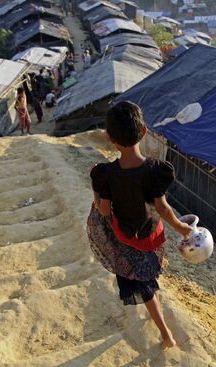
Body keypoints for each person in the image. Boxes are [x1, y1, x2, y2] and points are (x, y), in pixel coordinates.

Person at [88, 101, 192, 349]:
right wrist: (181, 228)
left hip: (126, 239)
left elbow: (103, 210)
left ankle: (166, 335)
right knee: (148, 269)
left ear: (110, 137)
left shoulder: (106, 173)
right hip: (152, 234)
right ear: (144, 131)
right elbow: (162, 208)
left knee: (144, 288)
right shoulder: (156, 170)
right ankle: (151, 278)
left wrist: (96, 189)